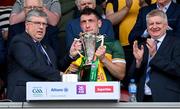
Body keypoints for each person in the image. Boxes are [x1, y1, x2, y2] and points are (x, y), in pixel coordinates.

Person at [7, 9, 81, 102]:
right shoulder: (19, 41)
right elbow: (31, 65)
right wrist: (60, 75)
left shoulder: (46, 47)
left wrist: (70, 55)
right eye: (37, 23)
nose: (41, 27)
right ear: (27, 25)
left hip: (45, 96)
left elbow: (55, 67)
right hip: (23, 96)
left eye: (44, 24)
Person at [129, 9, 180, 102]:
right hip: (143, 99)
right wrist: (138, 62)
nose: (154, 26)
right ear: (147, 27)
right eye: (151, 24)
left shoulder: (176, 43)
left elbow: (177, 69)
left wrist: (154, 55)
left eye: (158, 23)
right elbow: (131, 78)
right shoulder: (142, 46)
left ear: (166, 25)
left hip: (168, 98)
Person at [66, 8, 126, 81]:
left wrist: (104, 59)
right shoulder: (76, 46)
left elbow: (121, 75)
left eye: (91, 21)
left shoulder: (112, 43)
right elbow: (64, 75)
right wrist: (71, 56)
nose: (87, 25)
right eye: (84, 22)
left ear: (99, 23)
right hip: (81, 90)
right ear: (80, 26)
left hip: (105, 90)